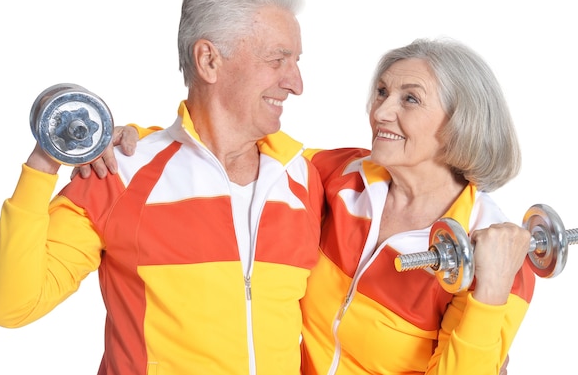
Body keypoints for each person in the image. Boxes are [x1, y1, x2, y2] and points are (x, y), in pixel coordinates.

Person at [106, 38, 535, 374]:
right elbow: (230, 148)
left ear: (463, 121)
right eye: (382, 92)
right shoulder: (339, 175)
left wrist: (489, 295)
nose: (381, 112)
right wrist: (139, 141)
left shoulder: (498, 258)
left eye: (410, 98)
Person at [0, 0, 324, 375]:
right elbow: (12, 306)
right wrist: (46, 160)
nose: (296, 83)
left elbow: (408, 174)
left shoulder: (307, 177)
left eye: (296, 61)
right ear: (209, 60)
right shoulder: (121, 173)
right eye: (277, 60)